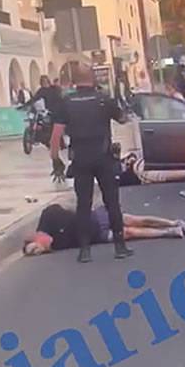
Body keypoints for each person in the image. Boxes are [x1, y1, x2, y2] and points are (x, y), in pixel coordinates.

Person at [50, 63, 133, 263]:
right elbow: (123, 118)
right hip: (104, 157)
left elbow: (55, 136)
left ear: (74, 81)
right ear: (93, 78)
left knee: (83, 205)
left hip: (80, 160)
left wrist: (56, 160)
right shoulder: (103, 100)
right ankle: (120, 247)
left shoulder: (66, 102)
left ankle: (85, 250)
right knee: (112, 202)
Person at [22, 204, 185, 256]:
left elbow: (68, 207)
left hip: (96, 217)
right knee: (130, 232)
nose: (39, 250)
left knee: (134, 219)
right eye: (36, 252)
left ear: (35, 237)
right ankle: (169, 232)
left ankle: (172, 222)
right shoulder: (57, 246)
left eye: (35, 247)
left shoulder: (48, 216)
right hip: (98, 235)